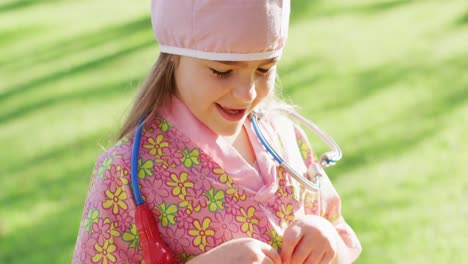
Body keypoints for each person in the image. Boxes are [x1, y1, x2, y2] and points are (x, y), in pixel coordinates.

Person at [72, 0, 362, 263]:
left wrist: (330, 241)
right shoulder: (125, 173)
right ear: (174, 58)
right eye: (222, 72)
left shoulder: (287, 137)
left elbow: (335, 225)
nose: (247, 93)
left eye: (264, 70)